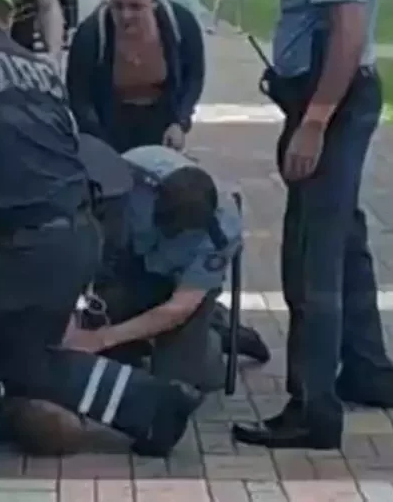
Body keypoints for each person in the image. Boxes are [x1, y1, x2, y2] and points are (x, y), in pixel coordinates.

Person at [0, 0, 202, 482]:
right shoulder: (43, 72)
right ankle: (156, 407)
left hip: (20, 241)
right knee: (26, 359)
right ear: (9, 16)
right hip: (78, 237)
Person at [230, 0, 393, 450]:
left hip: (330, 101)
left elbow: (348, 28)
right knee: (343, 235)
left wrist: (315, 122)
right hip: (333, 94)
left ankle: (312, 410)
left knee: (312, 255)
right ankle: (367, 370)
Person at [63, 145, 263, 392]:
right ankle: (138, 333)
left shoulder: (222, 232)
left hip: (182, 286)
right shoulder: (132, 173)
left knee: (180, 378)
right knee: (106, 343)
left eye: (181, 231)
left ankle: (217, 331)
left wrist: (102, 338)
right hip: (128, 265)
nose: (172, 233)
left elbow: (179, 307)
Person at [65, 0, 205, 153]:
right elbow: (79, 96)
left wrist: (179, 122)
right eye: (118, 6)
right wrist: (99, 142)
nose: (126, 16)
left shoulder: (181, 24)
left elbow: (194, 77)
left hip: (162, 120)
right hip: (110, 125)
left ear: (153, 2)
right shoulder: (91, 34)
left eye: (136, 7)